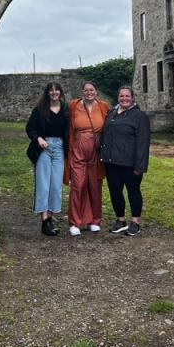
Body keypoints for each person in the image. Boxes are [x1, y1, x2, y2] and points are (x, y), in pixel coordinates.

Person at [100, 85, 151, 237]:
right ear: (118, 97)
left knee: (133, 191)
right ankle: (120, 220)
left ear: (132, 98)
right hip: (111, 162)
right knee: (115, 192)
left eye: (127, 96)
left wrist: (140, 164)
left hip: (130, 164)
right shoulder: (112, 113)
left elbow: (143, 142)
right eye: (121, 96)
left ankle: (135, 222)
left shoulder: (139, 116)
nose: (124, 99)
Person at [65, 81, 111, 236]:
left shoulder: (104, 106)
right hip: (78, 150)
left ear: (96, 91)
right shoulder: (73, 105)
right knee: (78, 185)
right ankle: (75, 222)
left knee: (95, 185)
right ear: (82, 92)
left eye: (91, 90)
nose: (89, 92)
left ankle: (94, 220)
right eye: (86, 90)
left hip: (97, 152)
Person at [26, 82, 69, 237]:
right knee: (43, 185)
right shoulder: (40, 109)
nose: (54, 92)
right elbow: (30, 128)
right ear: (47, 93)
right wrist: (38, 138)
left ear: (60, 92)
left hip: (59, 149)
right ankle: (44, 221)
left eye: (56, 90)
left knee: (56, 186)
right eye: (51, 90)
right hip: (44, 148)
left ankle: (50, 217)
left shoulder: (65, 109)